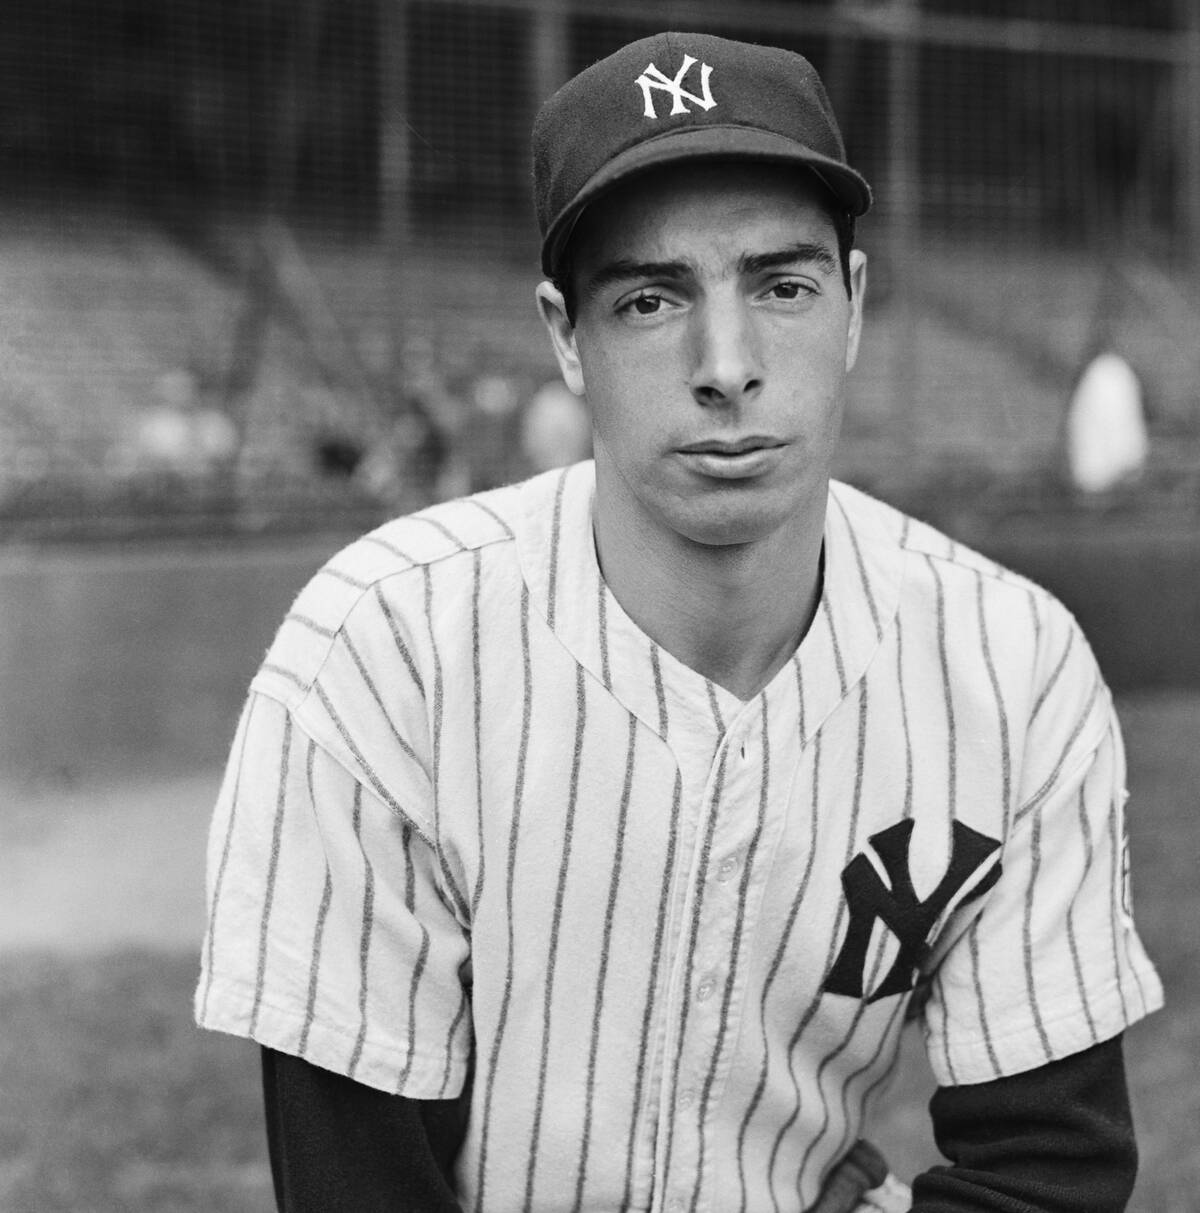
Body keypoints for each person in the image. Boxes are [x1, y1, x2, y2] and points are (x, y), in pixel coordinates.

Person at [195, 31, 1162, 1213]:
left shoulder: (1015, 668)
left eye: (782, 285)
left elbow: (1052, 1174)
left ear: (854, 306)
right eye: (651, 298)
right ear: (565, 334)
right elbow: (359, 1190)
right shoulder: (384, 651)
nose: (727, 364)